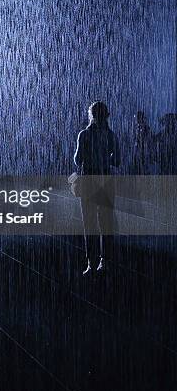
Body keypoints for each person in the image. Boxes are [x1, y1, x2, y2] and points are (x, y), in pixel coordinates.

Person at [74, 101, 120, 275]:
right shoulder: (111, 136)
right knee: (106, 223)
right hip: (105, 179)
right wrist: (104, 157)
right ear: (107, 115)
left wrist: (89, 154)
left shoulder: (84, 135)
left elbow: (77, 161)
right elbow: (117, 161)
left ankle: (91, 263)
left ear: (91, 116)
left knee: (89, 223)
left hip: (88, 180)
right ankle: (105, 262)